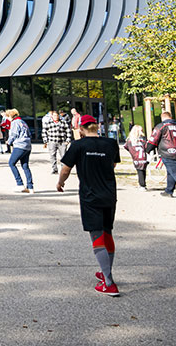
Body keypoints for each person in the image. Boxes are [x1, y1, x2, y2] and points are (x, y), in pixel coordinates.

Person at [57, 114, 122, 296]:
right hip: (109, 194)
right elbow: (114, 164)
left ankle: (109, 283)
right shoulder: (110, 143)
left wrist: (60, 183)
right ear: (97, 126)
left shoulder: (78, 145)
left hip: (90, 195)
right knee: (107, 232)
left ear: (81, 128)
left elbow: (66, 168)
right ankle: (105, 272)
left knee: (96, 235)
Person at [5, 108, 33, 193]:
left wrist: (9, 142)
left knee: (11, 163)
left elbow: (14, 134)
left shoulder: (14, 123)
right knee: (25, 166)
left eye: (7, 116)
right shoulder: (23, 122)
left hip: (19, 146)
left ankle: (19, 184)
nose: (7, 118)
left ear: (11, 116)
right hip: (27, 145)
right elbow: (29, 134)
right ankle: (30, 186)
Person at [42, 110, 72, 175]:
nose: (55, 117)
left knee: (63, 156)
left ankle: (63, 170)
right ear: (52, 116)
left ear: (58, 116)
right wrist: (46, 141)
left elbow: (68, 131)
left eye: (56, 115)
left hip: (62, 142)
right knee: (52, 156)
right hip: (52, 141)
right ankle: (54, 169)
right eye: (54, 116)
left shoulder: (63, 122)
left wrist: (68, 140)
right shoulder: (49, 123)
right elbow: (44, 131)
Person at [124, 125, 149, 191]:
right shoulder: (143, 139)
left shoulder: (130, 140)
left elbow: (125, 146)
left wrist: (131, 151)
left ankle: (142, 185)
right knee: (143, 170)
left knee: (139, 171)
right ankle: (143, 184)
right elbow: (147, 147)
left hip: (136, 157)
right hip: (143, 157)